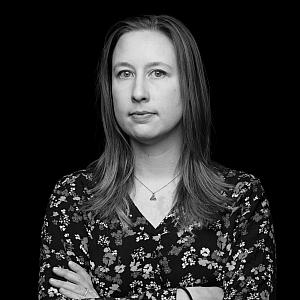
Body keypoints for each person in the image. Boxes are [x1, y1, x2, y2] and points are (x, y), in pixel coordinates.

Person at [38, 14, 276, 299]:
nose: (138, 92)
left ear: (189, 85)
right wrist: (191, 297)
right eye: (124, 73)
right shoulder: (73, 196)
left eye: (158, 73)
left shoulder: (240, 197)